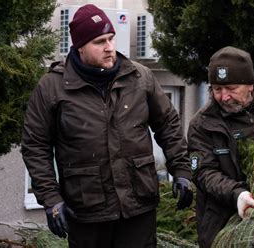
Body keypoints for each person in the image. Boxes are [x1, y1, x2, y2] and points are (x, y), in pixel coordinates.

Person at [21, 4, 193, 247]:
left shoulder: (139, 77)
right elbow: (35, 146)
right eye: (99, 41)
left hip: (138, 206)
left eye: (111, 38)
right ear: (80, 46)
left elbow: (168, 125)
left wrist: (182, 171)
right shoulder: (53, 87)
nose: (110, 47)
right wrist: (51, 199)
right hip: (88, 210)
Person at [187, 46, 254, 247]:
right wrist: (238, 195)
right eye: (217, 89)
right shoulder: (202, 124)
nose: (224, 97)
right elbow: (203, 172)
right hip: (223, 224)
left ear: (250, 85)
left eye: (232, 88)